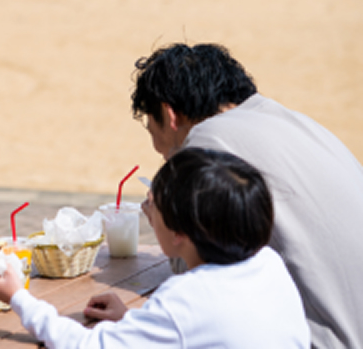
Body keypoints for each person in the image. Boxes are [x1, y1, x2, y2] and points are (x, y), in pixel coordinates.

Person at [131, 42, 363, 349]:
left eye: (152, 131)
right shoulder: (289, 119)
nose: (158, 150)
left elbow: (199, 270)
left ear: (168, 114)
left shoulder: (207, 144)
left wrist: (165, 219)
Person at [0, 148, 310, 348]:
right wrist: (133, 322)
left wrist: (17, 296)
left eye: (152, 204)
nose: (145, 211)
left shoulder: (186, 297)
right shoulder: (268, 264)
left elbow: (85, 345)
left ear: (180, 231)